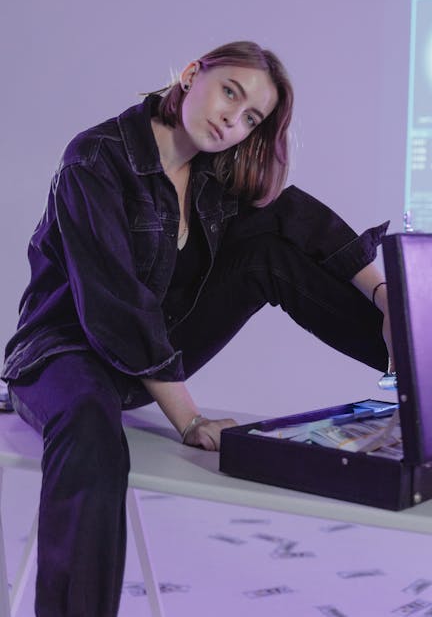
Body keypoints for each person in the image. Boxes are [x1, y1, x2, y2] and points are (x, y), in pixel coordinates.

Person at [3, 40, 392, 617]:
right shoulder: (95, 159)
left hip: (149, 358)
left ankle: (409, 354)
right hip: (63, 352)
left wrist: (387, 298)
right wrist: (189, 419)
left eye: (251, 117)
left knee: (270, 246)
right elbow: (115, 308)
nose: (233, 118)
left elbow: (299, 219)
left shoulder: (213, 174)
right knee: (89, 430)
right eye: (230, 91)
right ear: (192, 74)